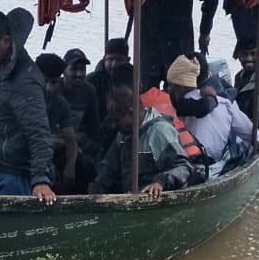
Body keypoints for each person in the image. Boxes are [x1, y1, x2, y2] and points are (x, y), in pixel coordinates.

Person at [0, 7, 55, 202]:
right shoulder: (0, 68)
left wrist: (41, 180)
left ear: (6, 42)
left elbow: (39, 133)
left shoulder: (25, 82)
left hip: (17, 174)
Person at [88, 68, 194, 199]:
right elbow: (109, 167)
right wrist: (96, 189)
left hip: (155, 198)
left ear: (132, 112)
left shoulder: (159, 131)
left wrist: (159, 183)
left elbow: (183, 167)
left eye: (116, 120)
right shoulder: (124, 133)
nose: (113, 125)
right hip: (131, 196)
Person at [138, 0, 219, 89]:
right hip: (150, 49)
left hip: (179, 49)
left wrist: (205, 31)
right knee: (147, 94)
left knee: (178, 95)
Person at [164, 54, 259, 172]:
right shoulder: (224, 102)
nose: (168, 89)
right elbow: (247, 130)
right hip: (209, 160)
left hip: (191, 162)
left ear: (182, 87)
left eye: (172, 86)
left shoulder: (175, 106)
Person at [35, 52, 79, 192]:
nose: (48, 88)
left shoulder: (60, 103)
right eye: (45, 81)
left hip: (46, 154)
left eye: (53, 82)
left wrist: (70, 166)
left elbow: (70, 141)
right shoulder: (25, 98)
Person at [61, 47, 102, 162]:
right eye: (74, 69)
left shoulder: (89, 90)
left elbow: (93, 123)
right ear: (64, 70)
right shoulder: (55, 88)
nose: (79, 74)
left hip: (80, 137)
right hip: (56, 137)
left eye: (82, 69)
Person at [87, 36, 131, 111]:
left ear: (128, 60)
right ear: (104, 59)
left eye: (119, 59)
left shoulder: (133, 77)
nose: (114, 64)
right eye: (110, 59)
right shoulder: (92, 81)